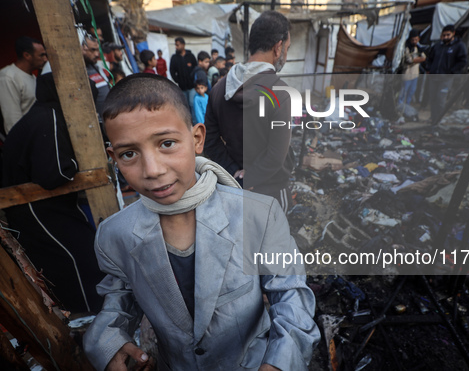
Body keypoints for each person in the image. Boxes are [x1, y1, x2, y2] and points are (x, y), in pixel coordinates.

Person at [82, 73, 319, 371]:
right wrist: (108, 339)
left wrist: (279, 362)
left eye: (166, 143)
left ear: (197, 139)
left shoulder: (258, 215)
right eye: (129, 153)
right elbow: (119, 295)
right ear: (113, 157)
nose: (152, 170)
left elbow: (291, 295)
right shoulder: (114, 235)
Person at [2, 73, 104, 314]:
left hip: (46, 207)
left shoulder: (43, 114)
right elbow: (54, 173)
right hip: (36, 210)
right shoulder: (51, 117)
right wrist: (82, 163)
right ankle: (91, 315)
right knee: (80, 260)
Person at [205, 10, 294, 212]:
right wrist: (251, 178)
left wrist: (236, 174)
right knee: (272, 242)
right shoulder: (280, 92)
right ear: (278, 47)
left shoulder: (219, 88)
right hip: (271, 194)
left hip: (233, 190)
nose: (285, 55)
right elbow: (276, 155)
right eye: (287, 48)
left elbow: (210, 142)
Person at [0, 36, 48, 133]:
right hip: (27, 137)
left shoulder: (33, 77)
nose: (45, 59)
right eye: (41, 55)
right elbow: (12, 119)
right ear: (27, 55)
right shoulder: (8, 77)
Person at [425, 25, 467, 122]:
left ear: (453, 34)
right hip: (434, 77)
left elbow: (462, 61)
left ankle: (439, 119)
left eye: (448, 35)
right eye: (444, 35)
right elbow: (429, 59)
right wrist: (429, 69)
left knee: (441, 99)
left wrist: (452, 71)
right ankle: (433, 118)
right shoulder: (437, 46)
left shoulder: (459, 46)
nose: (445, 37)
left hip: (446, 78)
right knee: (433, 99)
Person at [82, 35, 110, 118]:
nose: (97, 54)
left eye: (98, 50)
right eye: (93, 50)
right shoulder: (77, 72)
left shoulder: (95, 67)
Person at [398, 29, 425, 106]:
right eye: (413, 40)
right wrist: (418, 59)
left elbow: (424, 57)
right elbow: (409, 60)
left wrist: (415, 59)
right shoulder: (407, 48)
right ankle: (400, 107)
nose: (414, 41)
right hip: (407, 75)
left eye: (416, 40)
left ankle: (406, 107)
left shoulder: (418, 48)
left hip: (415, 75)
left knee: (411, 92)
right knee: (403, 93)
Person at [170, 37, 197, 106]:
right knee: (185, 106)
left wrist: (194, 80)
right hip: (182, 88)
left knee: (192, 104)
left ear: (183, 45)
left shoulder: (191, 56)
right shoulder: (174, 58)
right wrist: (178, 80)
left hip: (192, 87)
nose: (176, 47)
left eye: (178, 45)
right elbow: (172, 71)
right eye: (175, 45)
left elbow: (196, 68)